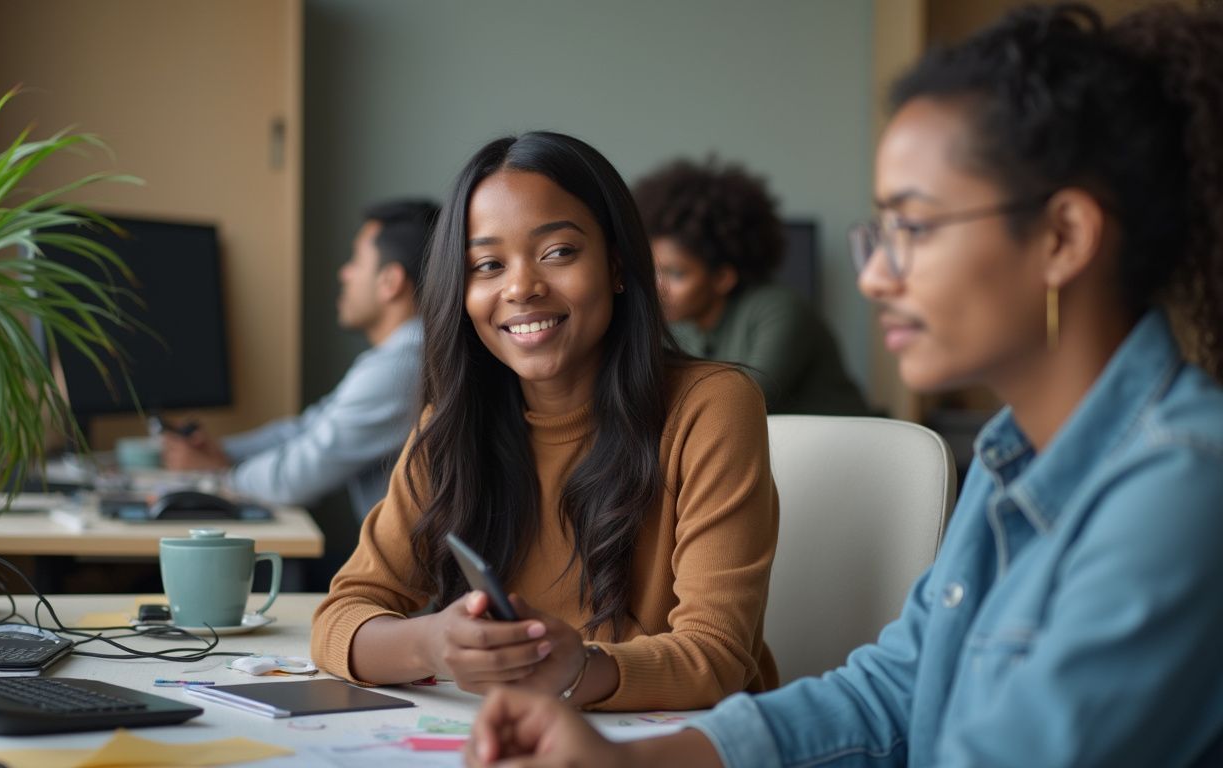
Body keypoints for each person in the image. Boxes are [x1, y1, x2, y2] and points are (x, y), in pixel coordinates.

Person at [465, 4, 1223, 766]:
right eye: (878, 233)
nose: (872, 276)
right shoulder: (1011, 456)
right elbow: (892, 695)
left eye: (915, 229)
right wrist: (628, 761)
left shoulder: (1184, 485)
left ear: (1062, 238)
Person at [310, 132, 779, 712]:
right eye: (486, 264)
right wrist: (431, 643)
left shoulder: (711, 406)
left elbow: (718, 657)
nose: (520, 287)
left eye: (558, 252)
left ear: (616, 265)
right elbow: (342, 615)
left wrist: (575, 669)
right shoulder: (453, 423)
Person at [162, 199, 437, 522]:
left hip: (411, 572)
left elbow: (293, 479)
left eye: (357, 260)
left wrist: (220, 475)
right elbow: (308, 428)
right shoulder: (401, 355)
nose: (344, 273)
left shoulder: (402, 365)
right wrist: (224, 452)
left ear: (390, 282)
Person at [633, 158, 867, 414]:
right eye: (654, 270)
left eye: (676, 274)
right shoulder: (682, 327)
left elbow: (741, 403)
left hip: (849, 449)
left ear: (723, 278)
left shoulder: (780, 311)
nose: (658, 287)